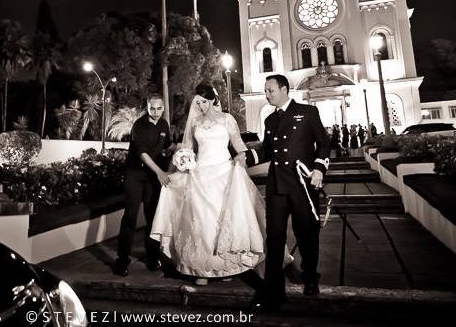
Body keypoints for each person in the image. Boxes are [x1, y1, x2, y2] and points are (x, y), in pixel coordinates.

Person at [151, 84, 278, 285]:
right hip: (200, 176)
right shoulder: (195, 123)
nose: (201, 106)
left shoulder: (227, 119)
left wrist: (242, 159)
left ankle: (227, 267)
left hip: (225, 174)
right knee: (202, 221)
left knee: (225, 220)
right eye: (198, 102)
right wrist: (179, 164)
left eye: (204, 101)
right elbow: (188, 149)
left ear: (212, 99)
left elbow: (239, 145)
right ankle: (202, 270)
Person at [245, 74, 330, 311]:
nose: (267, 95)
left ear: (284, 89)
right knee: (274, 237)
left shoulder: (307, 112)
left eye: (270, 90)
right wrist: (245, 158)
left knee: (306, 233)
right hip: (277, 186)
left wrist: (319, 168)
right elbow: (267, 150)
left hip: (302, 184)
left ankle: (310, 277)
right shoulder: (270, 120)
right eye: (265, 91)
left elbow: (324, 143)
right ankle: (274, 290)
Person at [113, 94, 172, 276]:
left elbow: (167, 146)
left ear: (163, 108)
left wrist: (182, 155)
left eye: (159, 108)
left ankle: (153, 258)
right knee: (130, 217)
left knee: (152, 217)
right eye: (152, 108)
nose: (156, 112)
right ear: (147, 107)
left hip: (152, 177)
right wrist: (160, 172)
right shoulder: (139, 125)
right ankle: (122, 261)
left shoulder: (164, 125)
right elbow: (143, 155)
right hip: (135, 175)